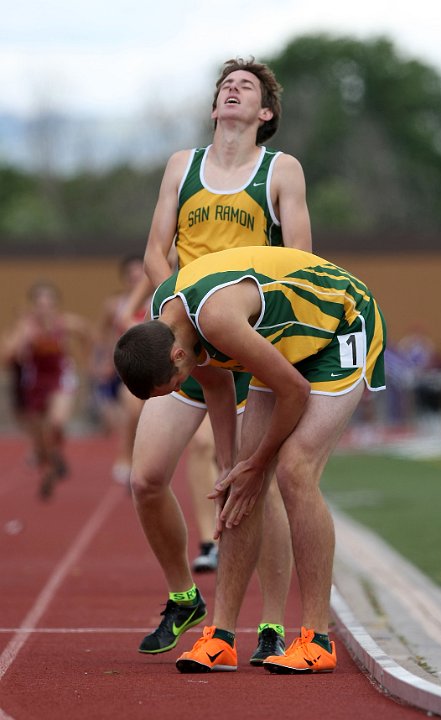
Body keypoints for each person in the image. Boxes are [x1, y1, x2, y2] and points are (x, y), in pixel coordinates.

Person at [114, 244, 387, 674]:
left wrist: (257, 465)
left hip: (342, 324)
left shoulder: (217, 321)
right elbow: (218, 387)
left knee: (294, 471)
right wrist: (231, 468)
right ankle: (221, 637)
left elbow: (294, 391)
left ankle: (316, 638)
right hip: (286, 342)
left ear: (177, 356)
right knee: (241, 485)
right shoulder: (164, 319)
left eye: (175, 383)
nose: (179, 388)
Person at [123, 57, 312, 662]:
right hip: (189, 340)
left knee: (256, 486)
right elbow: (157, 249)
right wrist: (181, 311)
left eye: (246, 87)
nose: (232, 89)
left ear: (265, 113)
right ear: (213, 107)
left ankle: (273, 625)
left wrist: (238, 322)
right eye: (225, 85)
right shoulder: (183, 166)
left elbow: (302, 262)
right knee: (147, 479)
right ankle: (185, 598)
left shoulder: (281, 170)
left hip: (252, 344)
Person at [2, 281, 93, 499]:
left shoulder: (65, 323)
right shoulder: (26, 327)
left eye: (49, 303)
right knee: (40, 439)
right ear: (34, 306)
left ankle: (53, 465)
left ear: (55, 305)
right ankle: (50, 460)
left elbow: (87, 333)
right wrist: (23, 341)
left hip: (60, 379)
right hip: (34, 384)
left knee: (56, 422)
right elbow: (6, 357)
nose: (45, 308)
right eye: (40, 304)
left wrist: (88, 361)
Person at [90, 254, 146, 487]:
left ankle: (141, 460)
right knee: (131, 412)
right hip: (124, 369)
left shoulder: (160, 300)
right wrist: (100, 359)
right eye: (131, 277)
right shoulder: (116, 305)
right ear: (124, 280)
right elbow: (102, 332)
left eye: (139, 276)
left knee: (144, 419)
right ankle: (125, 457)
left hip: (153, 368)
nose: (135, 280)